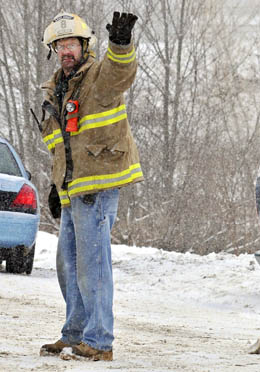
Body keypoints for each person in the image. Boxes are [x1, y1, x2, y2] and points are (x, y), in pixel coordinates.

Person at [38, 11, 141, 361]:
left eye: (71, 44)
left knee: (93, 266)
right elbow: (59, 145)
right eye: (60, 45)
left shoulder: (97, 76)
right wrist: (57, 186)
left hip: (97, 186)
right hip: (72, 190)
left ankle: (99, 341)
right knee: (68, 263)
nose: (66, 51)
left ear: (84, 46)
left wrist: (121, 43)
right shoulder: (58, 87)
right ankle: (75, 333)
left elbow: (120, 72)